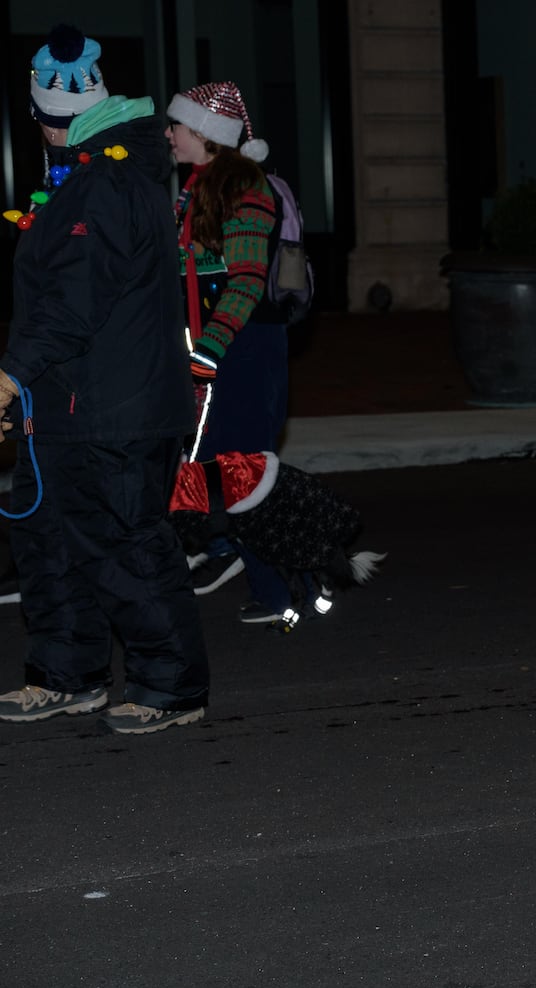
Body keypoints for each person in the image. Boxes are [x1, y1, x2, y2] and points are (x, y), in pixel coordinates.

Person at [0, 25, 210, 734]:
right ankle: (66, 675)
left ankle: (171, 687)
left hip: (114, 407)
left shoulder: (111, 180)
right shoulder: (85, 176)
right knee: (49, 540)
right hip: (63, 404)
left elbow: (75, 300)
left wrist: (8, 377)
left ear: (44, 122)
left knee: (126, 545)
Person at [165, 81, 297, 623]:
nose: (168, 135)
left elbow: (245, 280)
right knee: (209, 470)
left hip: (243, 352)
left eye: (176, 126)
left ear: (203, 133)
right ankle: (252, 573)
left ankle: (289, 591)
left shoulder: (245, 189)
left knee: (242, 475)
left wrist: (211, 350)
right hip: (215, 349)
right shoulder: (196, 188)